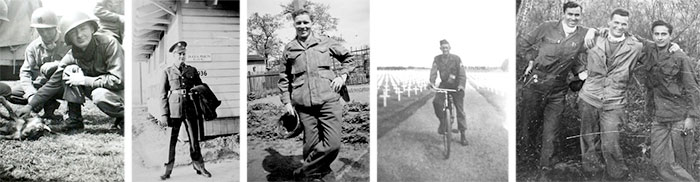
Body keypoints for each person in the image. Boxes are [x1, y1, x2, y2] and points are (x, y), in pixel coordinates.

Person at [516, 1, 594, 177]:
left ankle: (546, 168)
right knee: (528, 125)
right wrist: (531, 59)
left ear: (581, 15)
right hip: (536, 84)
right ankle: (524, 162)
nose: (573, 18)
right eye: (570, 14)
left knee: (552, 129)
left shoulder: (583, 34)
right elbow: (522, 43)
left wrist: (581, 72)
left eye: (577, 15)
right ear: (564, 13)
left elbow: (574, 58)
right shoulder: (547, 27)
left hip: (558, 89)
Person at [278, 9, 356, 181]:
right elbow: (283, 77)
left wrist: (342, 76)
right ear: (294, 24)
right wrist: (286, 103)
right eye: (299, 23)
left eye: (306, 22)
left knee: (333, 144)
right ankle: (316, 174)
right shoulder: (290, 48)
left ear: (312, 23)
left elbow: (349, 59)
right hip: (303, 103)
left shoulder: (325, 42)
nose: (302, 26)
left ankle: (304, 171)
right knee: (310, 144)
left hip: (328, 98)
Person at [16, 11, 124, 132]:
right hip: (99, 89)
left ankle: (126, 116)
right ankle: (75, 119)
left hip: (123, 92)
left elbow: (119, 80)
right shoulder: (72, 55)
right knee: (69, 70)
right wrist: (30, 106)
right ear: (69, 38)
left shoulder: (109, 44)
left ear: (92, 29)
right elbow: (53, 84)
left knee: (100, 95)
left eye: (83, 29)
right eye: (73, 33)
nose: (79, 35)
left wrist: (84, 80)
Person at [577, 9, 644, 180]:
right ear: (609, 22)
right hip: (589, 97)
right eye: (616, 22)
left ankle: (617, 175)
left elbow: (655, 51)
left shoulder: (635, 46)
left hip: (615, 100)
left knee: (610, 141)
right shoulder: (593, 38)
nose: (619, 26)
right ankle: (593, 173)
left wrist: (674, 47)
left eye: (624, 24)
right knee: (588, 139)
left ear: (628, 26)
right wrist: (580, 72)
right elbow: (573, 54)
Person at [640, 20, 700, 181]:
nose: (660, 38)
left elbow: (692, 88)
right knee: (658, 160)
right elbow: (630, 37)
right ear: (652, 35)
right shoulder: (649, 51)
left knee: (682, 161)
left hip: (680, 117)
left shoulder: (680, 57)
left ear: (670, 36)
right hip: (659, 117)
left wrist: (692, 117)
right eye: (656, 34)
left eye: (663, 34)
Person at [156, 41, 212, 180]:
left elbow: (201, 86)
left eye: (184, 54)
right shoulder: (167, 71)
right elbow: (162, 95)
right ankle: (167, 170)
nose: (182, 56)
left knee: (194, 140)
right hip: (173, 110)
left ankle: (199, 166)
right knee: (171, 141)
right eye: (179, 54)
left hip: (190, 109)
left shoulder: (192, 70)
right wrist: (163, 114)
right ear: (174, 55)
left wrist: (197, 89)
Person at [7, 7, 69, 120]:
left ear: (55, 27)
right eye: (40, 30)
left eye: (48, 29)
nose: (44, 33)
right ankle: (49, 105)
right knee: (12, 93)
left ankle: (73, 113)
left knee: (72, 83)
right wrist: (31, 95)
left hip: (63, 86)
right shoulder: (33, 47)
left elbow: (77, 64)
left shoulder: (68, 42)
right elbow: (25, 73)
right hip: (43, 85)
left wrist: (57, 64)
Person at [429, 39, 467, 146]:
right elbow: (433, 71)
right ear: (440, 48)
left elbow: (462, 74)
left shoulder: (456, 58)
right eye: (443, 47)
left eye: (447, 47)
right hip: (444, 84)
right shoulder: (437, 59)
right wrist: (431, 82)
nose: (445, 49)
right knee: (436, 102)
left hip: (456, 86)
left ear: (449, 48)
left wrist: (460, 85)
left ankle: (463, 134)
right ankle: (443, 122)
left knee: (460, 110)